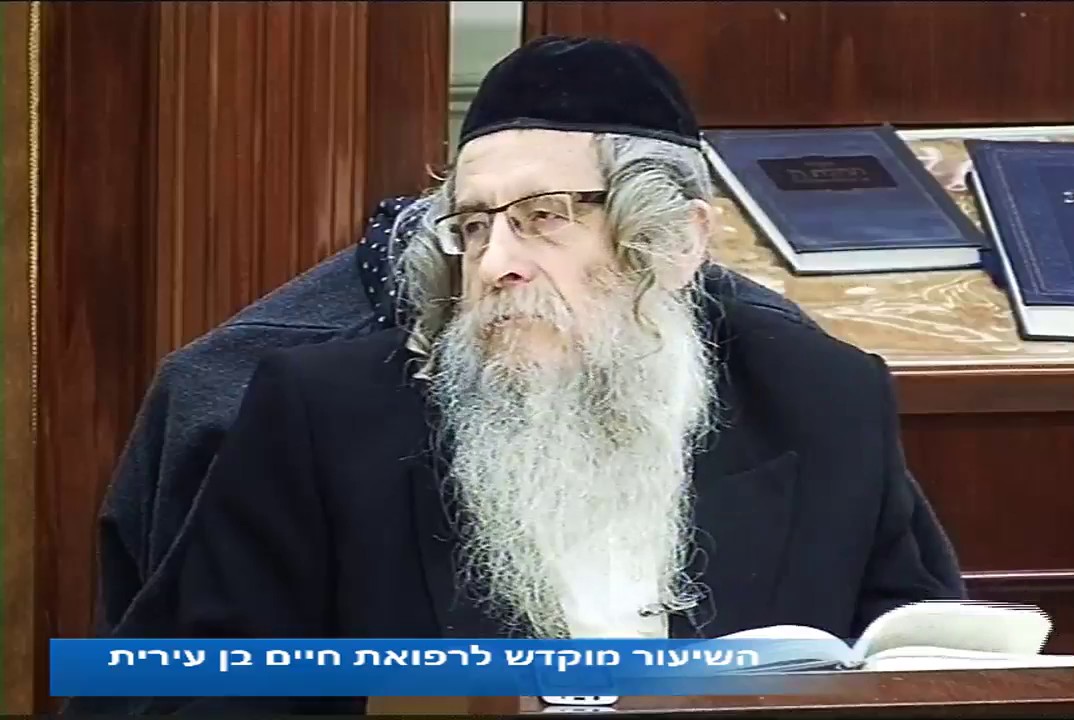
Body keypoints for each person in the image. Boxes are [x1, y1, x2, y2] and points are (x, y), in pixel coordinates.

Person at [71, 35, 963, 714]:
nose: (496, 262)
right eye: (472, 226)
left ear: (676, 240)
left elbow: (929, 662)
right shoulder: (324, 416)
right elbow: (183, 695)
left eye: (545, 216)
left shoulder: (822, 399)